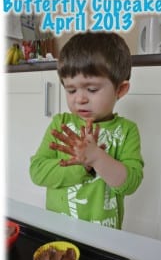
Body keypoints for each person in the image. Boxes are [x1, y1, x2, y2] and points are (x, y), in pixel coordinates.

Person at [30, 32, 144, 229]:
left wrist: (96, 157)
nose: (79, 99)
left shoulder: (126, 131)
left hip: (105, 235)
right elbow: (37, 172)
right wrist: (81, 166)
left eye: (91, 90)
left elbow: (130, 183)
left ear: (120, 89)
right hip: (59, 229)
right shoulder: (61, 124)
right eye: (71, 90)